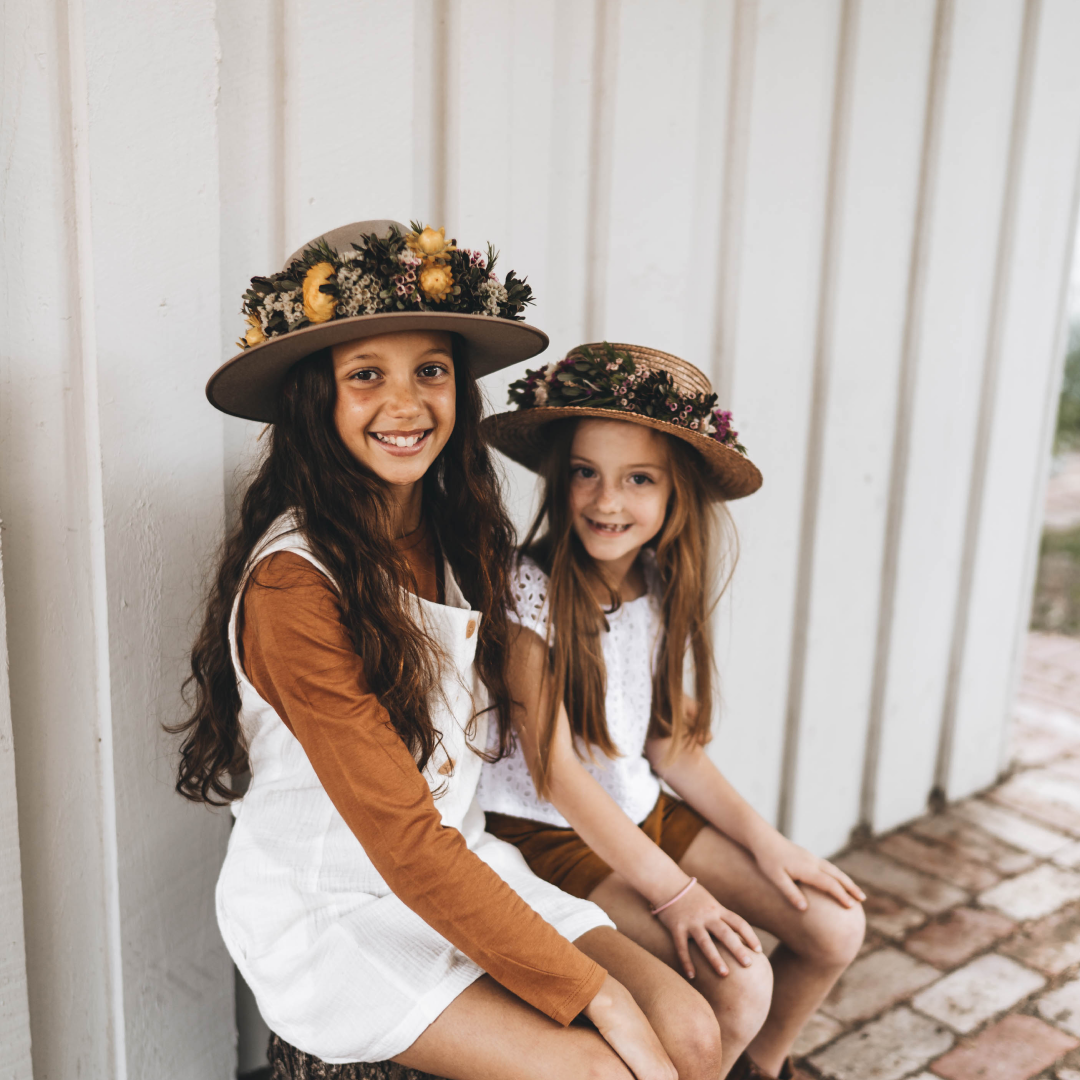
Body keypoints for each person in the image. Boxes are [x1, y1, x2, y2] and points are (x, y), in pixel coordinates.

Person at [173, 223, 722, 1080]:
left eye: (430, 369)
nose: (406, 404)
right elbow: (401, 843)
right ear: (316, 401)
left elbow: (548, 737)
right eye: (366, 376)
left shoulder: (456, 532)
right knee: (605, 1068)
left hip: (458, 864)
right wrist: (598, 995)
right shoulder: (293, 588)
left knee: (690, 1032)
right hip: (338, 909)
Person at [478, 342, 867, 1080]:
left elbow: (669, 748)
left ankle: (763, 1070)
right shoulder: (525, 593)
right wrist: (677, 895)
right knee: (739, 982)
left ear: (674, 494)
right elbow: (556, 775)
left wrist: (770, 843)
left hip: (639, 810)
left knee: (835, 927)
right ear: (560, 479)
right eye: (585, 473)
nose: (606, 500)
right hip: (551, 837)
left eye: (638, 479)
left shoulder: (656, 582)